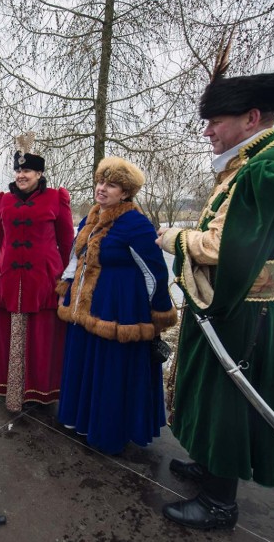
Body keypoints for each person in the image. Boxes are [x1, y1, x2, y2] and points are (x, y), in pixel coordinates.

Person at [156, 71, 274, 530]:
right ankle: (210, 468)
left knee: (227, 401)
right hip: (234, 305)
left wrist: (174, 238)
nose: (207, 131)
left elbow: (228, 248)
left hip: (245, 310)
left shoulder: (268, 168)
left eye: (214, 121)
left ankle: (220, 503)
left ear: (251, 117)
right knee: (210, 393)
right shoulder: (255, 161)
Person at [56, 157, 177, 454]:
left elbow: (155, 271)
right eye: (100, 182)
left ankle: (109, 429)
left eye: (111, 185)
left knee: (110, 368)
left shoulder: (134, 223)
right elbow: (76, 256)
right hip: (87, 307)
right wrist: (66, 288)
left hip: (119, 307)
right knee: (87, 362)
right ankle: (83, 420)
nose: (102, 189)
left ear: (125, 192)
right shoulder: (92, 217)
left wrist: (158, 312)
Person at [0, 134, 74, 412]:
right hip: (8, 279)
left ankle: (40, 391)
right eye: (18, 170)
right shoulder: (3, 201)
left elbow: (66, 241)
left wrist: (66, 279)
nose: (21, 175)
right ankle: (11, 389)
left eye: (27, 170)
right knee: (10, 335)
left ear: (39, 173)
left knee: (42, 336)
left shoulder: (55, 199)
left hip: (44, 279)